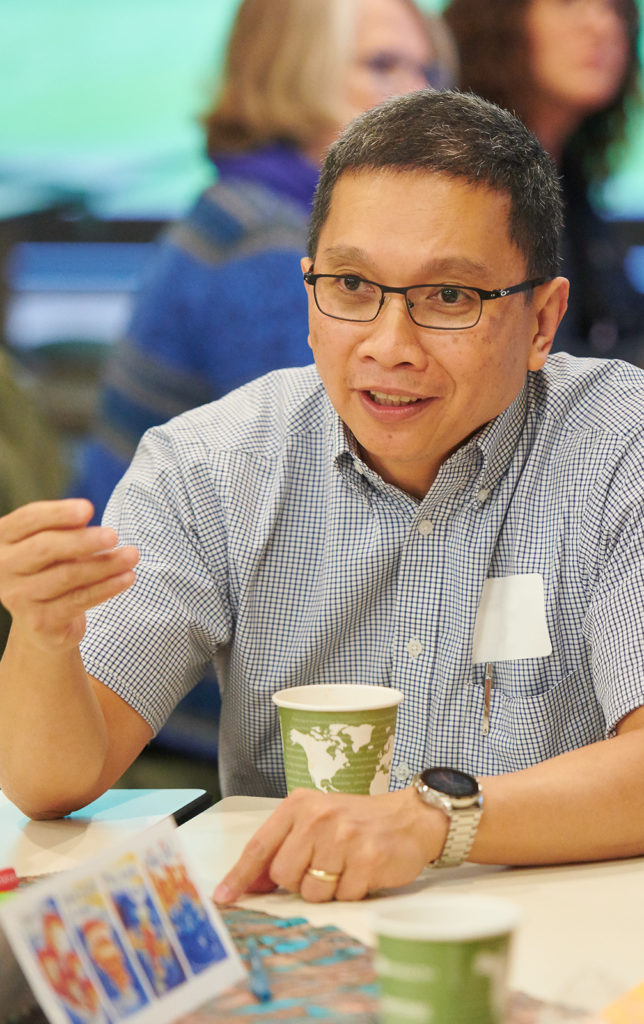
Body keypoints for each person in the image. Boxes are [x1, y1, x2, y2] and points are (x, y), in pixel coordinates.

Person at [3, 90, 644, 907]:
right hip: (305, 931)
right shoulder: (207, 465)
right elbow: (52, 782)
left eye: (449, 297)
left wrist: (431, 820)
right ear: (308, 296)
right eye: (351, 285)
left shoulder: (622, 447)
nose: (389, 346)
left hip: (575, 932)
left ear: (543, 321)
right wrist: (43, 635)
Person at [73, 0, 455, 524]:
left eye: (426, 70)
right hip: (148, 586)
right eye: (383, 66)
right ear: (293, 74)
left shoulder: (258, 207)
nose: (421, 96)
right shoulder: (263, 244)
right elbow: (333, 489)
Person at [444, 0, 644, 363]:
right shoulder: (465, 178)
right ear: (498, 21)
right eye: (568, 3)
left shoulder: (569, 172)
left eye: (616, 9)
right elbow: (529, 363)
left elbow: (618, 324)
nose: (602, 26)